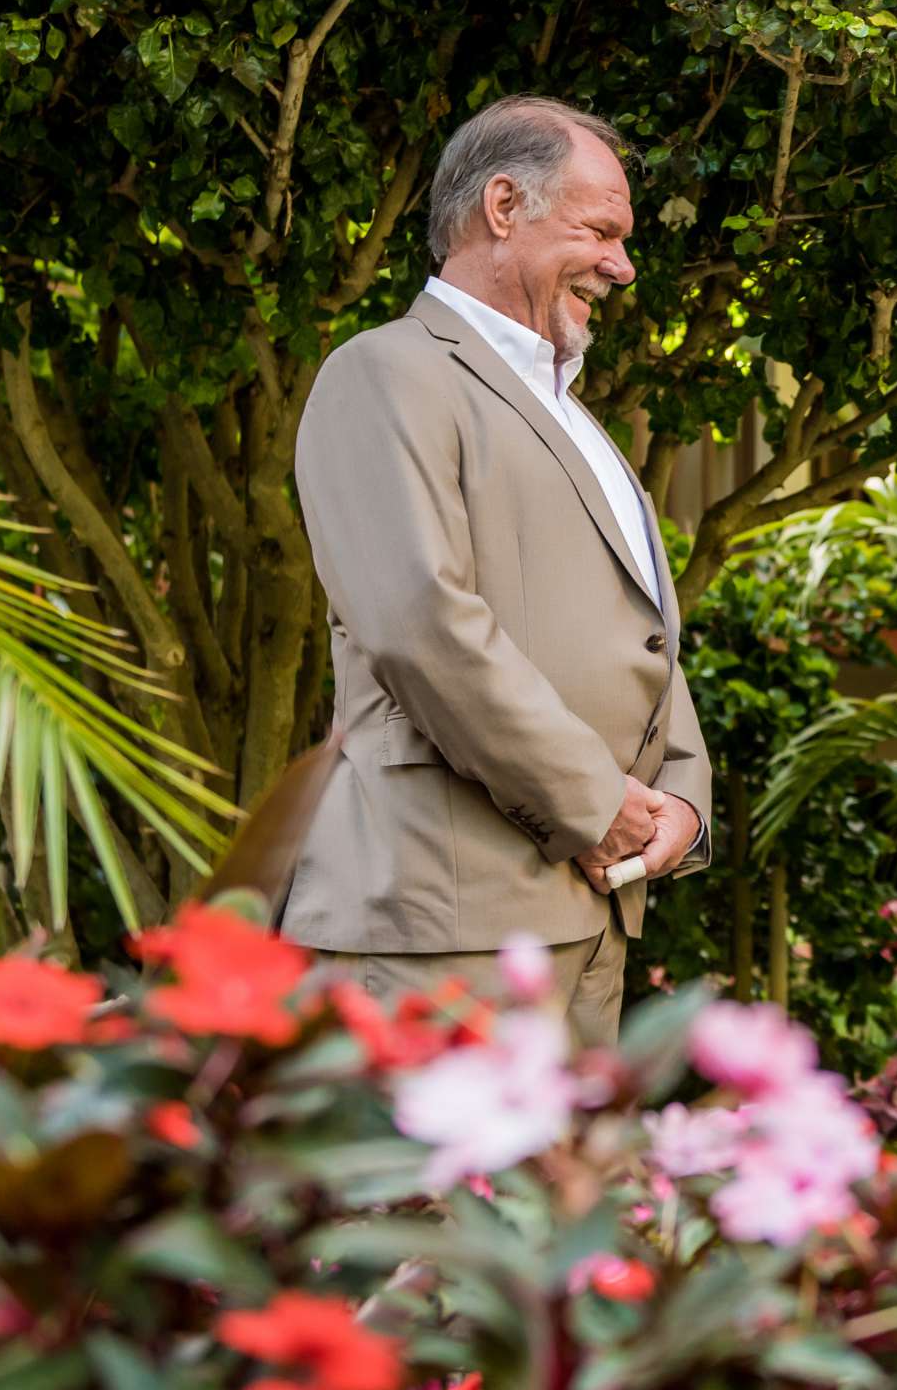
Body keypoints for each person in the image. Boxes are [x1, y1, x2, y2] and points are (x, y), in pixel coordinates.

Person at [284, 95, 711, 1045]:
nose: (622, 265)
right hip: (443, 927)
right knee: (427, 1202)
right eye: (600, 230)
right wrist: (596, 806)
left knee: (564, 1199)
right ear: (505, 205)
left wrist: (684, 796)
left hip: (589, 912)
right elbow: (420, 624)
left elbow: (638, 632)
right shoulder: (384, 373)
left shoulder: (576, 416)